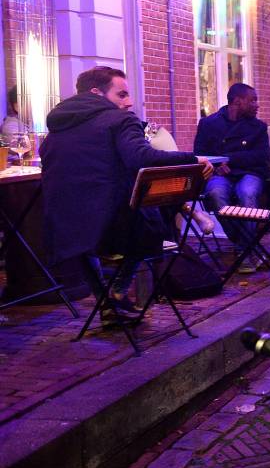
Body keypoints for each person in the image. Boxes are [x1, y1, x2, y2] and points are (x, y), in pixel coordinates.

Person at [41, 67, 213, 327]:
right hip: (114, 230)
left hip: (66, 231)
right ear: (97, 93)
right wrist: (193, 159)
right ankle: (118, 291)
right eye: (121, 94)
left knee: (89, 238)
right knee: (152, 221)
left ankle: (107, 303)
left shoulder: (56, 130)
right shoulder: (120, 120)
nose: (129, 102)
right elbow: (141, 157)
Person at [194, 83, 270, 272]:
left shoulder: (258, 127)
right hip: (219, 173)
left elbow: (262, 156)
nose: (257, 105)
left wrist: (231, 160)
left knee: (247, 193)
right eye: (252, 100)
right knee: (216, 194)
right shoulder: (208, 124)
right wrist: (218, 165)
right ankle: (246, 247)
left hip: (248, 172)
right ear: (237, 101)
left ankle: (243, 249)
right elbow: (199, 153)